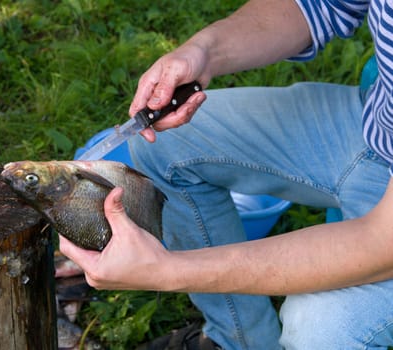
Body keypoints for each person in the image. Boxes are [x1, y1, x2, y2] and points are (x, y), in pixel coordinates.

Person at [60, 0, 393, 348]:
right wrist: (203, 50)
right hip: (378, 128)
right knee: (164, 145)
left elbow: (383, 244)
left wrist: (169, 270)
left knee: (319, 327)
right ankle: (242, 341)